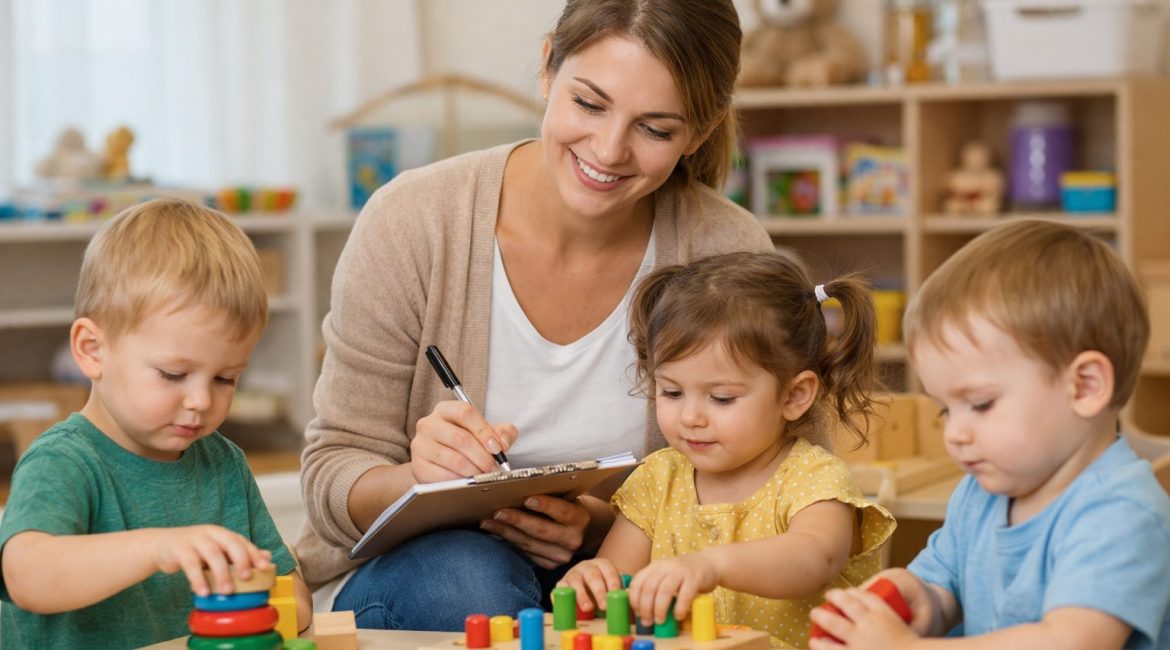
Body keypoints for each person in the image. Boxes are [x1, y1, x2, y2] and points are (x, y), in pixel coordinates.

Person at [297, 0, 775, 631]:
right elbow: (332, 475)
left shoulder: (727, 250)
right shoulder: (413, 221)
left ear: (701, 131)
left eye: (655, 130)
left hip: (629, 581)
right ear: (549, 66)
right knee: (467, 579)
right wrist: (417, 479)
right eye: (589, 104)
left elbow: (786, 484)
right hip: (434, 581)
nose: (609, 150)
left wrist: (604, 528)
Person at [810, 220, 1170, 649]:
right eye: (946, 409)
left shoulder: (1121, 514)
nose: (955, 434)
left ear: (1085, 386)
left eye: (980, 404)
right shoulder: (981, 493)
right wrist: (915, 597)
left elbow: (1068, 641)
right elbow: (944, 590)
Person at [0, 199, 312, 648]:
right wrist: (157, 548)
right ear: (92, 350)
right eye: (172, 374)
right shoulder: (62, 461)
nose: (201, 400)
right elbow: (27, 576)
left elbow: (288, 587)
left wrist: (278, 602)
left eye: (225, 378)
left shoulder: (223, 463)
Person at [558, 251, 895, 648]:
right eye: (671, 392)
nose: (690, 417)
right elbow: (618, 582)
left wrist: (712, 565)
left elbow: (815, 560)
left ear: (794, 395)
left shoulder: (814, 478)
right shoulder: (656, 479)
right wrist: (593, 581)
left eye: (721, 398)